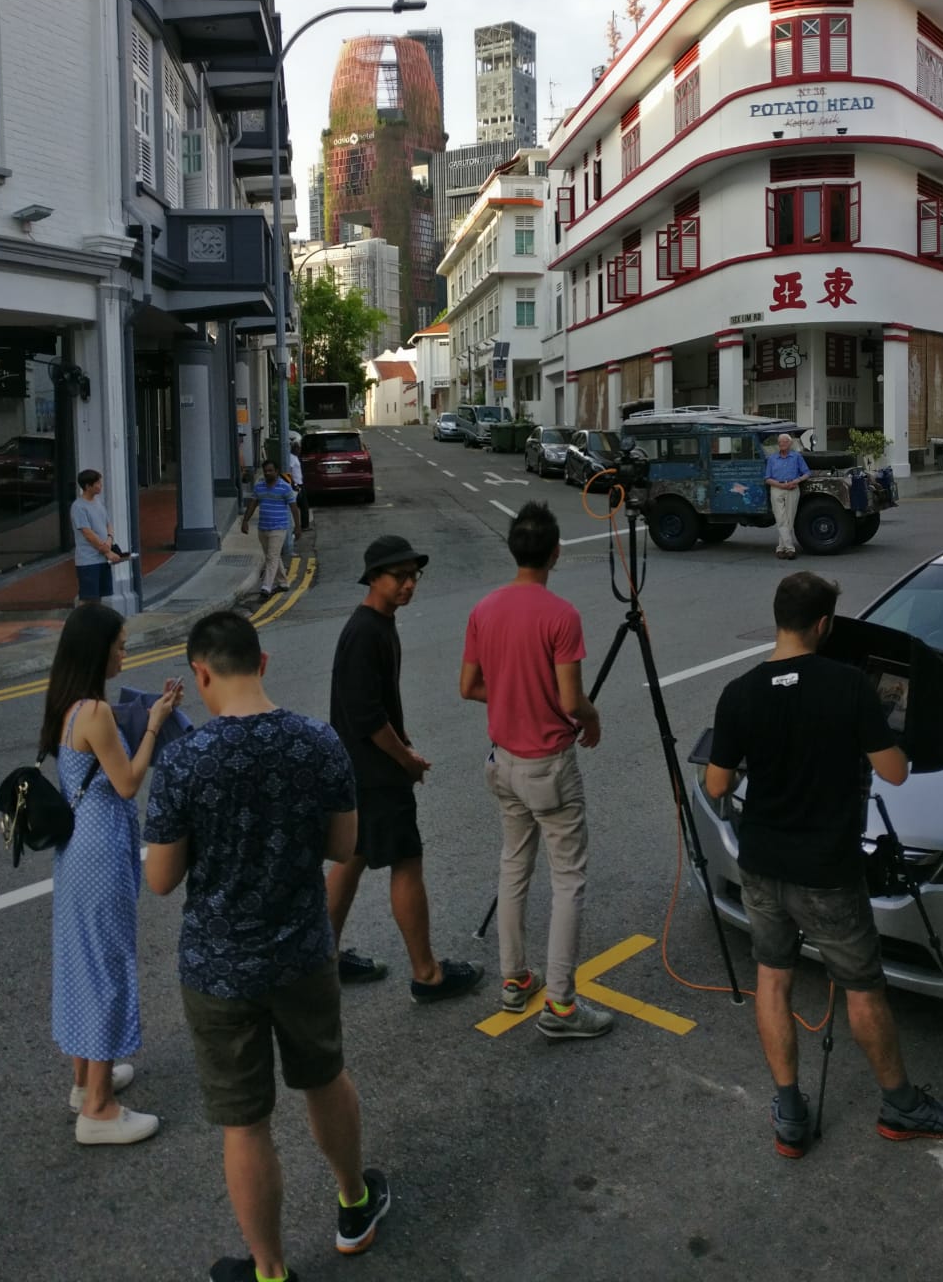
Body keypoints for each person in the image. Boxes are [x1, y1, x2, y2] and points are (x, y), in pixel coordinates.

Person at [144, 612, 389, 1280]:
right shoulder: (318, 742)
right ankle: (354, 1203)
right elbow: (344, 848)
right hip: (303, 951)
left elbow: (162, 880)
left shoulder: (183, 761)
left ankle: (271, 1270)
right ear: (264, 661)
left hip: (218, 967)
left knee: (244, 1123)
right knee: (324, 1077)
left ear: (200, 674)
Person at [705, 571, 943, 1158]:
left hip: (762, 864)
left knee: (773, 979)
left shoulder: (739, 692)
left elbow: (717, 782)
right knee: (863, 988)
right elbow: (895, 771)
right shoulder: (851, 687)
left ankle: (790, 1113)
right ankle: (900, 1106)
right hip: (827, 871)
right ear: (824, 625)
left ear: (780, 619)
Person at [459, 501, 612, 1040]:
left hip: (502, 763)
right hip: (549, 765)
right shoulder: (560, 615)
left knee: (513, 868)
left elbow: (469, 686)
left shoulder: (485, 609)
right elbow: (572, 699)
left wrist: (511, 697)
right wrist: (590, 719)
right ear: (554, 553)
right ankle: (562, 1005)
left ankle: (513, 979)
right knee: (567, 879)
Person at [40, 603, 183, 1145]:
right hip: (100, 851)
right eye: (121, 644)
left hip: (77, 851)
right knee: (106, 966)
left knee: (83, 962)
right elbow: (127, 782)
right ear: (98, 650)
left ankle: (85, 1081)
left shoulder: (66, 704)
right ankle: (99, 1109)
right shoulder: (96, 712)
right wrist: (154, 726)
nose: (126, 652)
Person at [327, 534, 484, 1001]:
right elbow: (368, 717)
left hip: (356, 768)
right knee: (406, 861)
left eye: (414, 576)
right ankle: (427, 975)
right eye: (399, 576)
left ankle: (323, 961)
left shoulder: (378, 624)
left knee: (349, 860)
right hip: (374, 772)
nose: (409, 585)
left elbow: (375, 710)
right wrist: (407, 759)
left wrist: (401, 740)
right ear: (373, 577)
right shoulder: (365, 632)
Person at [241, 459, 295, 598]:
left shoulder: (285, 487)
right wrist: (245, 521)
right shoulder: (259, 487)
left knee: (272, 557)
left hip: (279, 528)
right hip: (263, 528)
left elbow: (294, 508)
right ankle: (283, 583)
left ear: (276, 471)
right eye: (265, 471)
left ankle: (266, 586)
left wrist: (298, 527)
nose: (267, 473)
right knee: (273, 556)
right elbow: (252, 504)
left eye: (270, 470)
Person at [71, 469, 123, 603]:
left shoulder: (98, 502)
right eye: (98, 483)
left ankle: (96, 622)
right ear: (88, 486)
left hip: (102, 558)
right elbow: (87, 533)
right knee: (89, 598)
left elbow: (108, 523)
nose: (101, 485)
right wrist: (107, 551)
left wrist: (109, 540)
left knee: (99, 597)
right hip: (89, 560)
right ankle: (85, 623)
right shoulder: (79, 507)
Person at [764, 432, 810, 560]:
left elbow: (807, 473)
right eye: (779, 442)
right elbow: (767, 478)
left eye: (784, 442)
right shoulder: (772, 458)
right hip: (777, 488)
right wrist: (780, 485)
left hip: (792, 487)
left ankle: (781, 548)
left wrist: (797, 481)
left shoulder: (796, 457)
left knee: (789, 519)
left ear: (790, 443)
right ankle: (790, 548)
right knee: (780, 518)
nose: (782, 444)